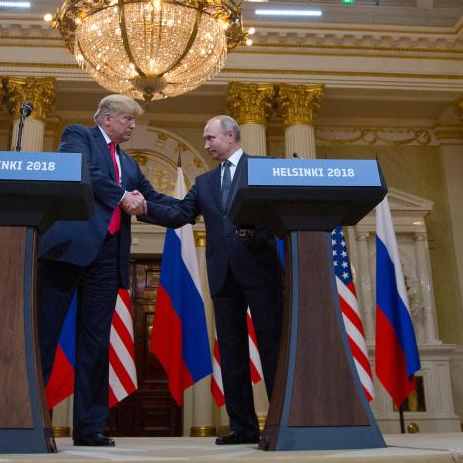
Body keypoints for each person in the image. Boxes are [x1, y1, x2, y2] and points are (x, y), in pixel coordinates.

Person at [37, 94, 177, 447]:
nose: (132, 125)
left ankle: (89, 428)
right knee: (44, 336)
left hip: (107, 258)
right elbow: (85, 172)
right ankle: (27, 417)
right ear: (106, 117)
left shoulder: (128, 163)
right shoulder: (78, 136)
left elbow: (151, 198)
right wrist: (121, 197)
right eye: (128, 119)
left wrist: (195, 207)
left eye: (134, 120)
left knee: (96, 345)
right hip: (67, 251)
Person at [143, 115, 284, 445]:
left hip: (260, 269)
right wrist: (142, 206)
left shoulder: (263, 168)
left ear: (231, 136)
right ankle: (243, 428)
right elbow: (180, 214)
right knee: (231, 353)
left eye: (210, 138)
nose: (205, 145)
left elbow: (281, 210)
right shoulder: (205, 182)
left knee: (273, 348)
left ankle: (283, 421)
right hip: (223, 274)